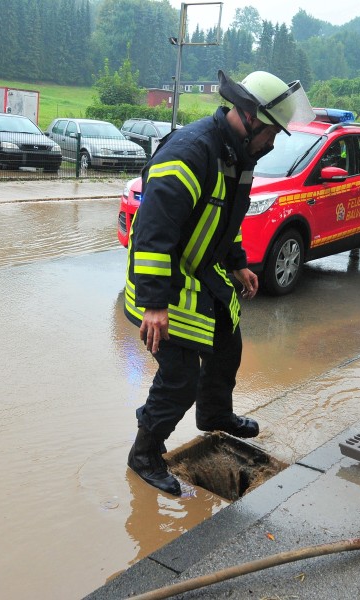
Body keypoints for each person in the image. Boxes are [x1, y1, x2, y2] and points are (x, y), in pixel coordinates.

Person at [123, 69, 314, 495]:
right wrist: (155, 304)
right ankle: (145, 451)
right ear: (248, 118)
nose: (273, 142)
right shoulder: (191, 151)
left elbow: (227, 220)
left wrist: (239, 263)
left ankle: (214, 414)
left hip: (201, 270)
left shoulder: (239, 157)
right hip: (162, 280)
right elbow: (153, 231)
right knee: (180, 376)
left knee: (228, 340)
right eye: (272, 133)